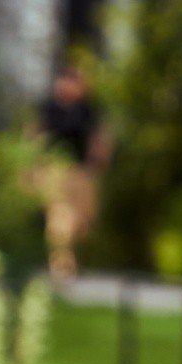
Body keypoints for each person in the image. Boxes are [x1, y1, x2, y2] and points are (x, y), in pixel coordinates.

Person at [32, 63, 110, 285]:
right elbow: (36, 134)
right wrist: (34, 166)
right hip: (55, 170)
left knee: (83, 222)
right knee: (59, 218)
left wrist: (99, 161)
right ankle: (62, 266)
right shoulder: (49, 109)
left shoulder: (88, 110)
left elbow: (99, 138)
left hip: (82, 173)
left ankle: (70, 260)